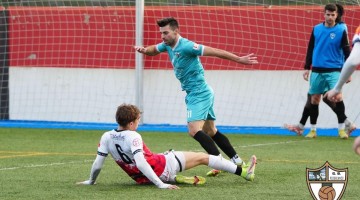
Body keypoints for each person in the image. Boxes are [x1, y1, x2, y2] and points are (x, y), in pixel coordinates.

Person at [134, 17, 258, 176]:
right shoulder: (167, 45)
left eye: (165, 33)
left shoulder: (186, 46)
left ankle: (220, 163)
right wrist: (144, 50)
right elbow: (154, 50)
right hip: (197, 93)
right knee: (211, 131)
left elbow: (215, 51)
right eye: (161, 33)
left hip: (200, 93)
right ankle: (238, 162)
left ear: (176, 31)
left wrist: (239, 59)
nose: (162, 36)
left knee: (194, 130)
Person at [76, 103, 257, 189]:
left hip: (140, 179)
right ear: (131, 123)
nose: (138, 123)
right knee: (204, 157)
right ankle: (243, 172)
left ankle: (174, 177)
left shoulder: (106, 136)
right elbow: (141, 162)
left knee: (165, 155)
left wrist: (91, 180)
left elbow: (98, 163)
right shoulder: (134, 136)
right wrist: (161, 184)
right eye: (138, 120)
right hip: (162, 169)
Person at [284, 3, 355, 137]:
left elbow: (347, 51)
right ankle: (312, 130)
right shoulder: (316, 29)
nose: (330, 17)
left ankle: (341, 129)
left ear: (336, 15)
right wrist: (307, 68)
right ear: (324, 14)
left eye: (332, 15)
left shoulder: (341, 29)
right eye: (327, 14)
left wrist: (349, 72)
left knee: (337, 97)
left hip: (334, 69)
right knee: (314, 98)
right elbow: (310, 48)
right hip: (317, 70)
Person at [325, 25, 360, 154]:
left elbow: (353, 61)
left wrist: (337, 88)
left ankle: (345, 124)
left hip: (336, 70)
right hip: (320, 69)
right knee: (322, 98)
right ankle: (347, 123)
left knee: (332, 96)